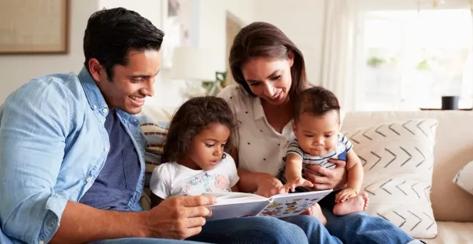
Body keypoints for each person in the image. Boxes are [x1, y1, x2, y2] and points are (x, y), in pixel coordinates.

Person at [0, 8, 332, 244]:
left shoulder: (132, 119)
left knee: (283, 233)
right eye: (137, 78)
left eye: (154, 76)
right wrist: (146, 224)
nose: (151, 90)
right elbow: (24, 210)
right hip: (104, 233)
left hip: (142, 223)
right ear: (98, 69)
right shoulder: (46, 100)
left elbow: (194, 141)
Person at [218, 21, 419, 243]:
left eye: (276, 77)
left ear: (291, 59)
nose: (269, 91)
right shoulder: (232, 101)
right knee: (311, 225)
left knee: (356, 223)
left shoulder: (317, 106)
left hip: (313, 199)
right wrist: (259, 179)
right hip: (261, 207)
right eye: (255, 83)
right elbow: (217, 169)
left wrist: (340, 180)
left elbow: (339, 155)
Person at [281, 86, 368, 218]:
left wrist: (353, 188)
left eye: (327, 135)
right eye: (309, 135)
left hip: (331, 191)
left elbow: (355, 164)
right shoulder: (297, 146)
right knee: (290, 197)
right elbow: (293, 162)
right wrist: (295, 178)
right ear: (295, 129)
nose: (319, 142)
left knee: (342, 195)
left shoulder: (341, 142)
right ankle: (316, 215)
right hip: (304, 191)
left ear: (338, 128)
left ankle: (349, 204)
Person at [150, 96, 239, 202]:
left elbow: (237, 198)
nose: (218, 152)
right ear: (186, 138)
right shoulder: (166, 174)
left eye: (222, 144)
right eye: (210, 144)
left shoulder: (226, 162)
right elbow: (157, 215)